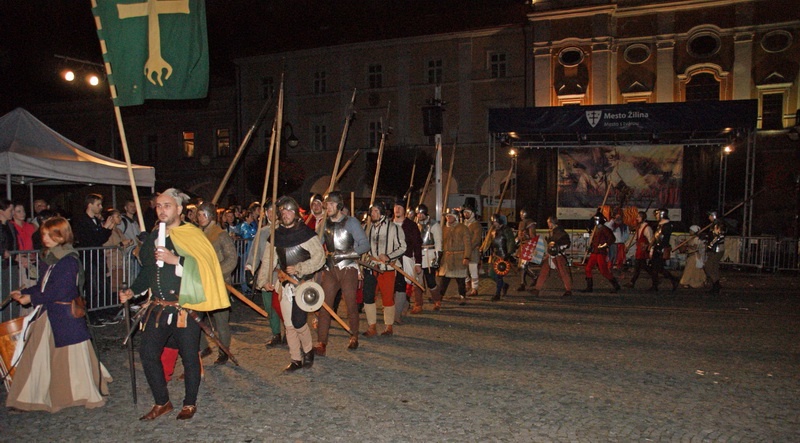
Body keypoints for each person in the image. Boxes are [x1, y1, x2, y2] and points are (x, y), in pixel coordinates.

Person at [119, 188, 229, 421]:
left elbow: (205, 267)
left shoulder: (192, 234)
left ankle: (189, 403)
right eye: (159, 206)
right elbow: (148, 271)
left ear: (179, 209)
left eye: (167, 205)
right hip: (158, 307)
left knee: (189, 356)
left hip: (185, 307)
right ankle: (162, 402)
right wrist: (133, 291)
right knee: (147, 353)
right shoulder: (153, 237)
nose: (162, 210)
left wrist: (176, 259)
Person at [6, 217, 112, 412]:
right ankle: (33, 396)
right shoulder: (50, 258)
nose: (45, 238)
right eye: (44, 234)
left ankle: (72, 394)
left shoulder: (68, 260)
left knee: (69, 360)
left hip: (65, 316)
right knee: (38, 356)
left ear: (62, 235)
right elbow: (44, 286)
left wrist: (31, 298)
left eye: (50, 234)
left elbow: (62, 291)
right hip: (50, 313)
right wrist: (25, 293)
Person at [256, 196, 324, 372]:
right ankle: (295, 358)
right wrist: (264, 281)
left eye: (289, 211)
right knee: (288, 324)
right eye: (283, 211)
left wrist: (300, 267)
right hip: (284, 285)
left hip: (302, 284)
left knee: (299, 322)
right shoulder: (276, 235)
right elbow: (268, 260)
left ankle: (308, 351)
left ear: (296, 214)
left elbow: (320, 257)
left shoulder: (306, 234)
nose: (286, 214)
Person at [316, 192, 370, 354]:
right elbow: (316, 245)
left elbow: (364, 245)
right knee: (325, 306)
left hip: (348, 268)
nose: (329, 207)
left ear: (339, 205)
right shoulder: (324, 224)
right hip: (330, 269)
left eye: (332, 204)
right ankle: (321, 342)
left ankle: (354, 336)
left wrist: (345, 254)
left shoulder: (351, 222)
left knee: (351, 304)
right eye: (327, 204)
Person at [196, 202, 239, 365]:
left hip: (219, 283)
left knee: (221, 320)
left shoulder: (220, 235)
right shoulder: (198, 234)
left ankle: (223, 350)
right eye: (199, 215)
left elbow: (232, 259)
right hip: (202, 282)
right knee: (195, 317)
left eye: (203, 215)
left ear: (210, 216)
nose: (200, 218)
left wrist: (216, 273)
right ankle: (203, 346)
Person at [244, 201, 285, 348]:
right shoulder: (262, 232)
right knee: (269, 307)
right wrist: (249, 268)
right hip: (266, 274)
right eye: (269, 211)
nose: (271, 213)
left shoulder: (285, 230)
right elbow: (254, 253)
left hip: (282, 275)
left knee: (283, 306)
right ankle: (276, 333)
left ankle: (289, 333)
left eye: (274, 211)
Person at [362, 201, 406, 336]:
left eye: (376, 211)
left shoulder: (394, 228)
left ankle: (388, 326)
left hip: (387, 267)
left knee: (387, 296)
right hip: (370, 265)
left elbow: (402, 247)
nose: (373, 214)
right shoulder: (367, 227)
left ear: (382, 212)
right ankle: (372, 326)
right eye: (372, 211)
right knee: (368, 296)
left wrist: (389, 256)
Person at [72, 194, 114, 324]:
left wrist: (106, 229)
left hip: (97, 258)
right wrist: (105, 229)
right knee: (92, 287)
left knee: (101, 286)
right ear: (90, 205)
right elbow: (92, 239)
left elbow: (101, 239)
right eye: (98, 204)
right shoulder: (82, 221)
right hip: (89, 259)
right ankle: (92, 315)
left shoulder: (95, 220)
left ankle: (102, 312)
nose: (100, 207)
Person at [392, 199, 422, 322]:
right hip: (389, 260)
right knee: (392, 286)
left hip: (404, 259)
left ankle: (396, 315)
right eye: (396, 207)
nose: (397, 209)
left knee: (401, 285)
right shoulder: (389, 224)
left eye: (400, 207)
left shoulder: (411, 225)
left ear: (404, 210)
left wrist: (418, 262)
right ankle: (402, 305)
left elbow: (417, 245)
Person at [530, 216, 573, 297]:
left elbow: (566, 243)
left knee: (563, 272)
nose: (548, 224)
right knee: (544, 271)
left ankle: (568, 289)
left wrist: (558, 248)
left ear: (552, 223)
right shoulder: (553, 231)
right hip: (551, 255)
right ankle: (537, 289)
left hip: (558, 255)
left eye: (549, 223)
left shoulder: (560, 232)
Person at [438, 208, 471, 307]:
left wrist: (466, 257)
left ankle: (462, 297)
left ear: (455, 217)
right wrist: (439, 257)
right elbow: (442, 244)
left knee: (460, 280)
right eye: (447, 216)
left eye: (450, 216)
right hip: (447, 257)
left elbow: (467, 244)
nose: (448, 218)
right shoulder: (444, 228)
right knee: (444, 280)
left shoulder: (463, 228)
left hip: (458, 257)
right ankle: (439, 297)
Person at [582, 213, 621, 293]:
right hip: (595, 252)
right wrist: (591, 247)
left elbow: (612, 238)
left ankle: (616, 286)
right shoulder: (596, 228)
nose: (595, 221)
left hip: (601, 252)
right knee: (588, 268)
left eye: (596, 219)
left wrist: (604, 245)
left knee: (604, 270)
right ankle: (589, 287)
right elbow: (594, 240)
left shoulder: (604, 229)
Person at [413, 204, 442, 313]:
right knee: (417, 282)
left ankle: (437, 301)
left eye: (421, 213)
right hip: (417, 256)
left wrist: (437, 258)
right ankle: (418, 304)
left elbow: (438, 242)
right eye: (418, 213)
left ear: (425, 213)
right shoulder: (414, 225)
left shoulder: (434, 225)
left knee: (431, 281)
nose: (419, 215)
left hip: (429, 256)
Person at [484, 214, 515, 301]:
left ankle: (497, 294)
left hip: (503, 255)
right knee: (491, 274)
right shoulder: (493, 231)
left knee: (499, 276)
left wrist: (508, 253)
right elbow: (490, 242)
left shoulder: (506, 230)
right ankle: (504, 285)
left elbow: (510, 242)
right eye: (493, 222)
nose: (494, 223)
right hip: (495, 256)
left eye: (495, 221)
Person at [102, 209, 133, 295]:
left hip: (122, 263)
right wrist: (121, 244)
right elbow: (106, 249)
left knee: (123, 288)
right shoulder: (107, 231)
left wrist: (127, 243)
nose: (120, 218)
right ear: (111, 218)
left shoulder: (118, 230)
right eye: (117, 216)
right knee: (115, 289)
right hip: (113, 264)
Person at [624, 211, 657, 290]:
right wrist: (627, 246)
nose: (637, 218)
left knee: (640, 267)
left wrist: (651, 251)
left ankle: (655, 280)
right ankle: (633, 282)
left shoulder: (647, 228)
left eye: (638, 217)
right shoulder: (639, 227)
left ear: (642, 218)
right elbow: (635, 238)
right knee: (640, 267)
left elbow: (651, 240)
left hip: (643, 251)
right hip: (639, 250)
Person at [648, 208, 679, 292]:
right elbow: (656, 237)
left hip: (661, 248)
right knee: (656, 268)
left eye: (657, 214)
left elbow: (664, 239)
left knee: (657, 267)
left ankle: (657, 284)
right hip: (657, 247)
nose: (656, 216)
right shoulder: (660, 225)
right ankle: (657, 284)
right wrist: (651, 246)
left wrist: (661, 248)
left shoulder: (667, 225)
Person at [461, 202, 482, 297]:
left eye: (467, 212)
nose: (465, 214)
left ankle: (474, 288)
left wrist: (469, 248)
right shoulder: (463, 224)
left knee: (473, 270)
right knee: (463, 270)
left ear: (472, 213)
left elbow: (476, 239)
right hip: (463, 251)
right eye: (465, 212)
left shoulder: (476, 225)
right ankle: (467, 284)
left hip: (473, 251)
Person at [516, 208, 538, 291]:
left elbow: (532, 236)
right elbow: (519, 236)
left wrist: (527, 236)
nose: (521, 216)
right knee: (520, 266)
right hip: (522, 245)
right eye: (520, 214)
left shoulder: (530, 223)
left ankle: (523, 283)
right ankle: (532, 277)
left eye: (522, 214)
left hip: (528, 245)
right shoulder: (521, 223)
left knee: (523, 266)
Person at [704, 215, 726, 294]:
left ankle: (716, 284)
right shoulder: (714, 225)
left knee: (709, 267)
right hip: (714, 250)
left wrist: (710, 246)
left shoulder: (718, 225)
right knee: (714, 268)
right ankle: (715, 286)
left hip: (716, 250)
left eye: (710, 215)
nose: (709, 217)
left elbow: (718, 237)